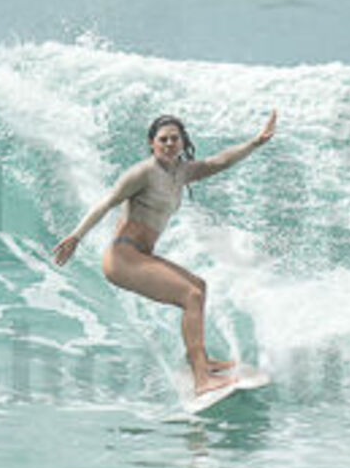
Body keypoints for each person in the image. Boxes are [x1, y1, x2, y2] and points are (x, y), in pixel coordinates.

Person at [53, 110, 277, 395]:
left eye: (174, 139)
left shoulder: (181, 172)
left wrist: (255, 142)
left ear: (182, 142)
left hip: (141, 255)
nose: (169, 144)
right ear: (152, 143)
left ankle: (199, 361)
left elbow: (220, 162)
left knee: (199, 287)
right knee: (190, 295)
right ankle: (202, 380)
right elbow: (107, 203)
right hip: (123, 257)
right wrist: (76, 236)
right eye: (163, 139)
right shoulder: (142, 173)